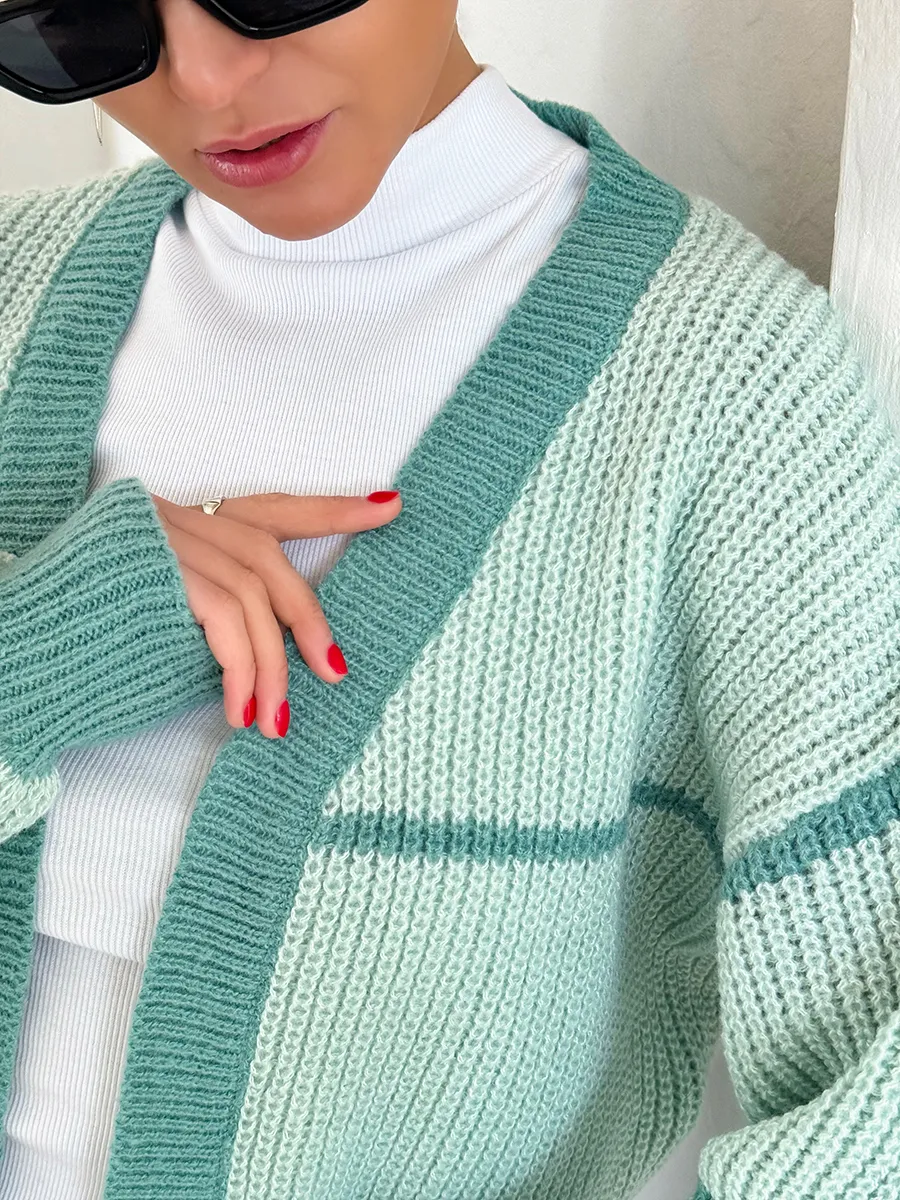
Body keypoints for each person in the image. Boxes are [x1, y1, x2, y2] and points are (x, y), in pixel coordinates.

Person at [0, 0, 898, 1197]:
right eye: (85, 14)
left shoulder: (727, 382)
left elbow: (873, 1076)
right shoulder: (13, 287)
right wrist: (35, 656)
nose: (206, 80)